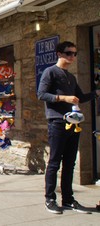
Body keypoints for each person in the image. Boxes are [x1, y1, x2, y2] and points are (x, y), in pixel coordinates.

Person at [37, 41, 100, 214]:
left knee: (70, 163)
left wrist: (95, 94)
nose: (72, 57)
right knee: (54, 162)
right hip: (57, 122)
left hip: (73, 123)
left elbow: (80, 97)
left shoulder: (71, 77)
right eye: (68, 53)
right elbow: (41, 94)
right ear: (59, 54)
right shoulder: (50, 72)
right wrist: (63, 98)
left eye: (74, 53)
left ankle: (68, 199)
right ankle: (50, 199)